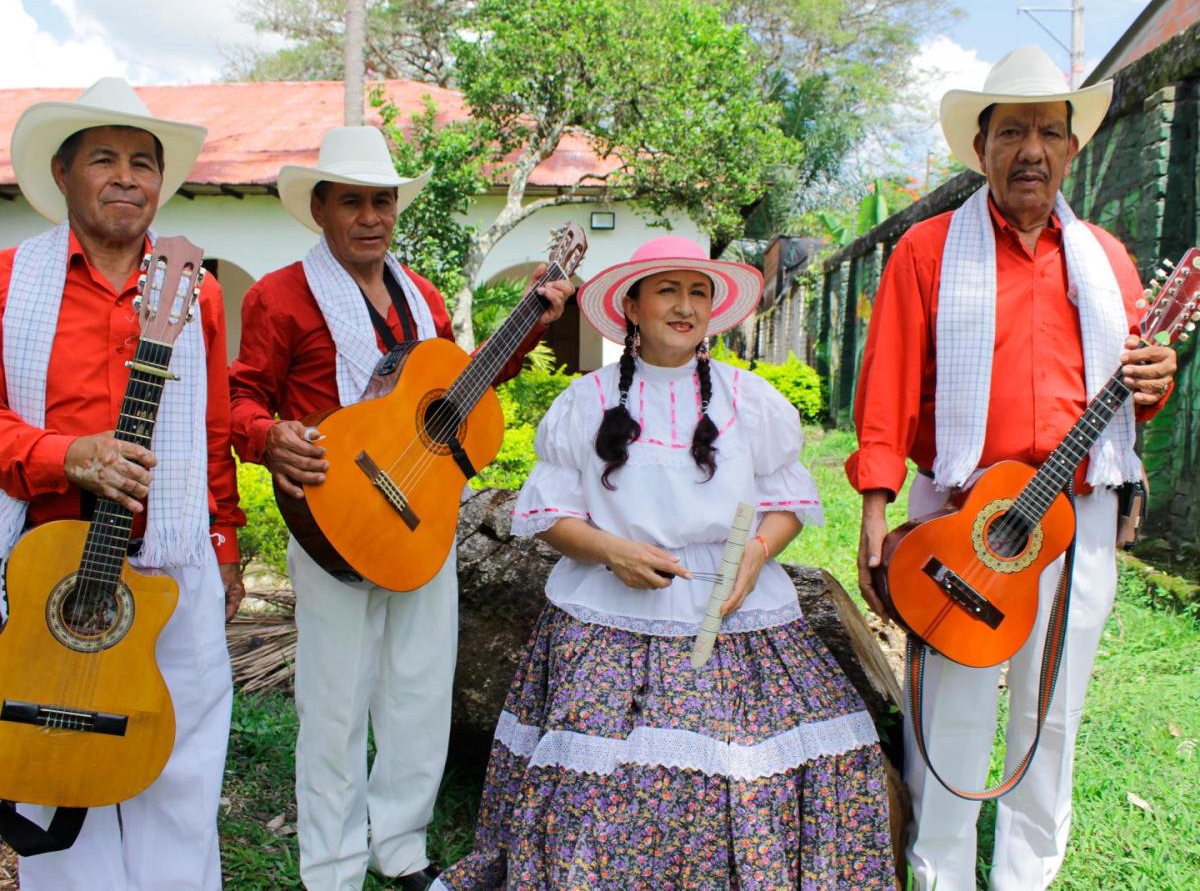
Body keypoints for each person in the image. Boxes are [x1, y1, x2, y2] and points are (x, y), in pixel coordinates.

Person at [434, 236, 895, 889]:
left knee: (757, 766)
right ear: (632, 304)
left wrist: (759, 551)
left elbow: (788, 501)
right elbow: (549, 517)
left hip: (733, 613)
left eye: (698, 292)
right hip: (607, 616)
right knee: (599, 781)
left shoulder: (749, 401)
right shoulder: (586, 402)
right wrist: (611, 550)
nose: (684, 306)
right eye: (668, 290)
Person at [848, 46, 1177, 891]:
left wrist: (1155, 383)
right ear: (981, 148)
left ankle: (1026, 876)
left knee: (1052, 709)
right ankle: (941, 872)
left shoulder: (1108, 260)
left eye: (1048, 132)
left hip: (1079, 513)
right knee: (953, 707)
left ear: (1072, 150)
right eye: (1013, 132)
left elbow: (1130, 400)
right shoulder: (925, 252)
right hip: (964, 511)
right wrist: (877, 512)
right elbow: (886, 386)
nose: (1032, 149)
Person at [227, 125, 574, 891]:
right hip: (336, 518)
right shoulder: (278, 294)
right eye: (351, 201)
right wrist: (268, 436)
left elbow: (454, 386)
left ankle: (402, 850)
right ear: (318, 208)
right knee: (336, 703)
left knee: (420, 691)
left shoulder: (418, 292)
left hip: (423, 515)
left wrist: (529, 325)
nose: (371, 216)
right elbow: (241, 397)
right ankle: (333, 867)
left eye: (382, 201)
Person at [0, 77, 244, 889]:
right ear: (63, 174)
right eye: (103, 158)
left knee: (180, 757)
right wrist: (64, 455)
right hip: (43, 564)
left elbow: (211, 430)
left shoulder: (196, 289)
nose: (128, 177)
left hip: (170, 561)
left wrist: (226, 539)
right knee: (56, 762)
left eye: (145, 162)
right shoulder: (8, 285)